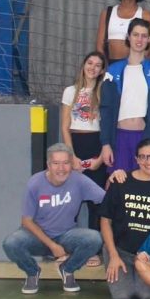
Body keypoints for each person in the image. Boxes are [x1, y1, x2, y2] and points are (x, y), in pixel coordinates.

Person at [2, 143, 105, 294]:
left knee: (95, 238)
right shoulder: (35, 183)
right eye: (56, 163)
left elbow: (107, 198)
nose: (61, 168)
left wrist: (117, 178)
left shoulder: (79, 180)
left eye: (65, 163)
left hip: (66, 236)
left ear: (72, 164)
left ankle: (67, 269)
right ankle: (32, 272)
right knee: (10, 243)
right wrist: (52, 245)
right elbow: (26, 221)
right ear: (48, 165)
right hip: (37, 237)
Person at [98, 138, 150, 299]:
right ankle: (119, 266)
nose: (149, 162)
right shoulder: (120, 181)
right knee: (122, 298)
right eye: (144, 157)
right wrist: (113, 255)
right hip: (120, 251)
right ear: (136, 160)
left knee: (147, 296)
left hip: (148, 255)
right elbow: (105, 221)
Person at [100, 18, 150, 173]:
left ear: (149, 39)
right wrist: (106, 144)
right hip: (119, 138)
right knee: (118, 185)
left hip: (145, 138)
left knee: (144, 186)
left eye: (144, 36)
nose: (139, 39)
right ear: (128, 37)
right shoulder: (113, 70)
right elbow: (106, 109)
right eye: (136, 34)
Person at [60, 51, 107, 267]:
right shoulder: (70, 92)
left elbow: (108, 126)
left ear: (102, 70)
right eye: (90, 63)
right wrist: (72, 157)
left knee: (96, 203)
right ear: (83, 65)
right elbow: (65, 126)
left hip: (96, 145)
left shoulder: (105, 92)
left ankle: (93, 250)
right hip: (75, 146)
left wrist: (99, 158)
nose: (93, 68)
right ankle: (65, 248)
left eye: (98, 65)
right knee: (71, 203)